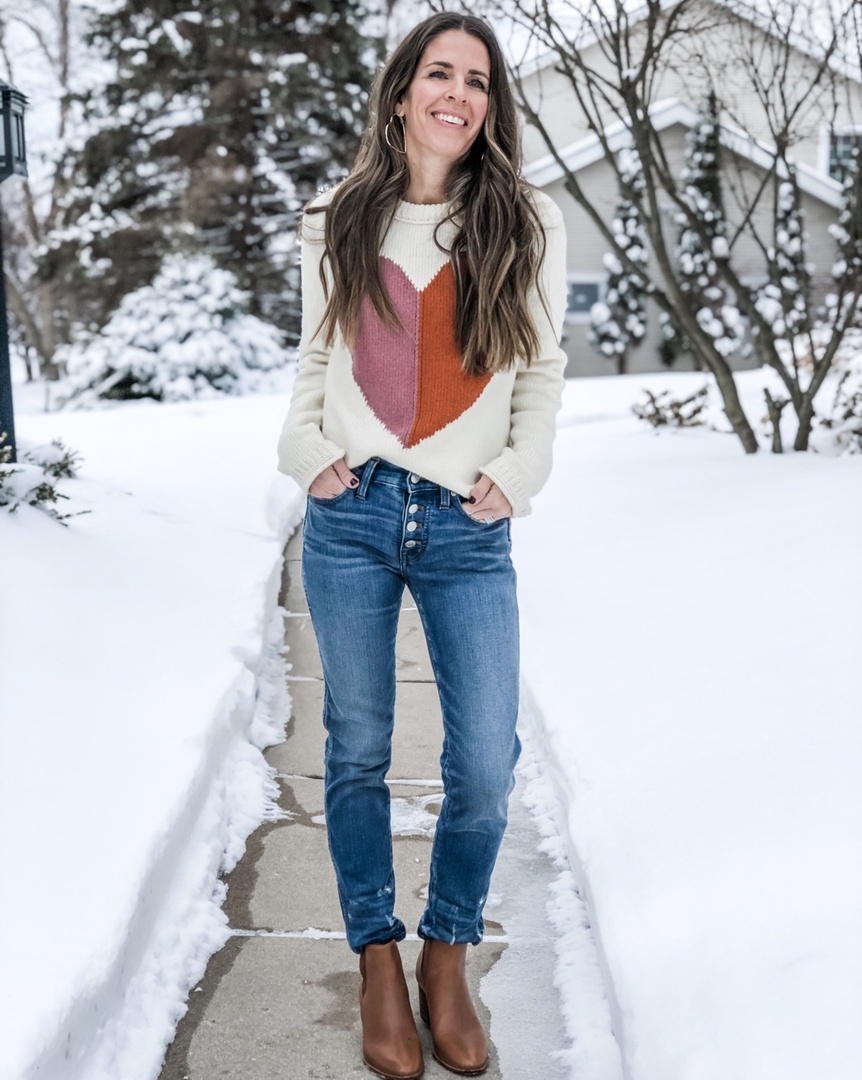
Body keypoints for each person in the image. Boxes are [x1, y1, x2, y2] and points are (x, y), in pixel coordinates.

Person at [277, 12, 568, 1079]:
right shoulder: (335, 218)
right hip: (351, 515)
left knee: (483, 762)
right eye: (438, 74)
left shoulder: (523, 220)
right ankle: (375, 965)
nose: (458, 94)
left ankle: (447, 951)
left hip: (465, 525)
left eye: (478, 81)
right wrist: (304, 450)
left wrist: (517, 476)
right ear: (400, 93)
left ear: (493, 106)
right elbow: (315, 362)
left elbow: (539, 371)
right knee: (355, 751)